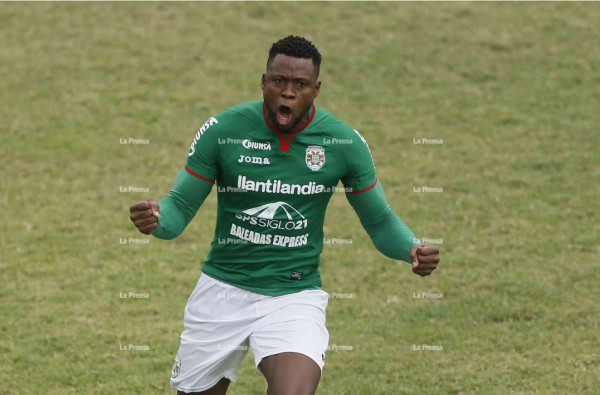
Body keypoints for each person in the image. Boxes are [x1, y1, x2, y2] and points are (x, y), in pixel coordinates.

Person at [129, 35, 440, 395]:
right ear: (263, 82)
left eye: (300, 84)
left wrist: (411, 249)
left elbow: (380, 220)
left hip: (293, 293)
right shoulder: (224, 131)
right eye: (279, 81)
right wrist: (157, 219)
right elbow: (179, 207)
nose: (288, 93)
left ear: (316, 89)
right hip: (222, 290)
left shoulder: (342, 143)